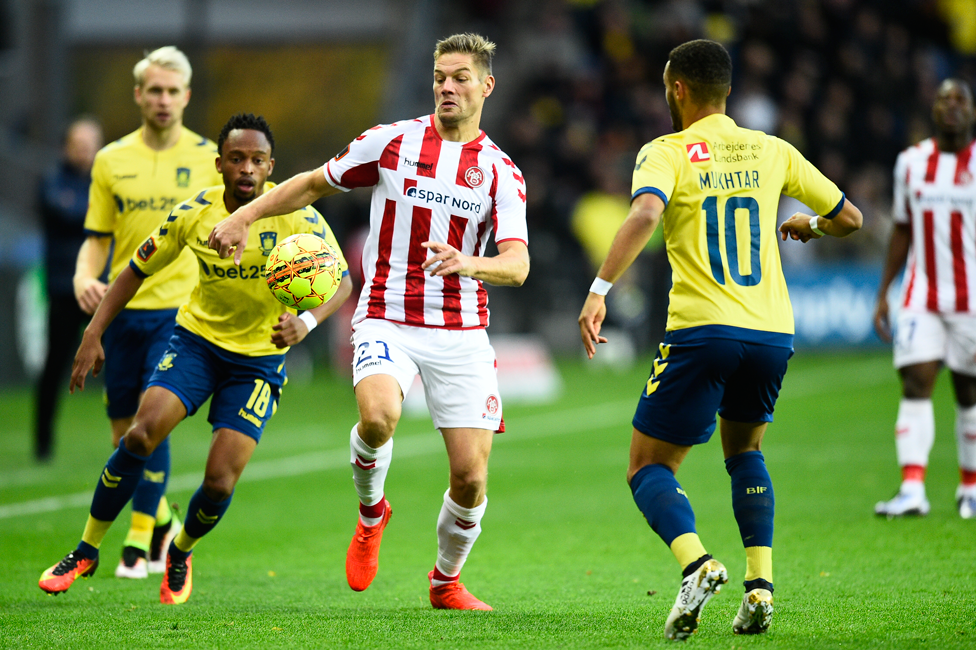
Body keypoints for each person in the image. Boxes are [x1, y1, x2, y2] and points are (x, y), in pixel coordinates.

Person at [208, 33, 529, 611]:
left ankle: (446, 582)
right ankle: (372, 511)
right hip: (387, 317)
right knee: (378, 418)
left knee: (470, 478)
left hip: (461, 332)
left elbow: (518, 265)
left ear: (486, 86)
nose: (447, 87)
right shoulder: (391, 142)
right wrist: (246, 216)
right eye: (439, 76)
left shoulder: (501, 172)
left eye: (460, 77)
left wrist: (469, 262)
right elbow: (312, 183)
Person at [578, 39, 862, 641]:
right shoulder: (772, 149)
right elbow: (850, 218)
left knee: (647, 464)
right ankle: (760, 586)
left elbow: (646, 213)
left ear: (677, 89)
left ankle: (697, 565)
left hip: (704, 329)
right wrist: (809, 225)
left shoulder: (666, 151)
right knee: (746, 452)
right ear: (728, 91)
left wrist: (600, 288)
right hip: (772, 333)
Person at [38, 113, 352, 604]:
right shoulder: (195, 213)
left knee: (220, 481)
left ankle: (180, 549)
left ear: (271, 167)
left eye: (257, 160)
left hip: (259, 361)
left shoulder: (296, 214)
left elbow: (343, 282)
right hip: (197, 343)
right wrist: (93, 331)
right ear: (219, 164)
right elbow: (134, 269)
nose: (247, 168)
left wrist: (306, 323)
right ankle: (86, 549)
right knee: (140, 434)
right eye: (237, 158)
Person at [74, 46, 223, 580]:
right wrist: (83, 276)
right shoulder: (110, 160)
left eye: (172, 91)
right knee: (124, 438)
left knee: (149, 421)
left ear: (186, 96)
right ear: (139, 95)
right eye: (154, 90)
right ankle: (161, 521)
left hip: (180, 312)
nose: (163, 99)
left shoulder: (212, 158)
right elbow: (98, 236)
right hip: (123, 311)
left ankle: (137, 544)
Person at [873, 79, 976, 520]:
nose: (951, 106)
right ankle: (912, 489)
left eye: (960, 100)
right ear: (932, 110)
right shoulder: (911, 162)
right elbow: (902, 227)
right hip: (921, 294)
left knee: (969, 391)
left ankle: (970, 488)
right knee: (916, 381)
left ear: (971, 111)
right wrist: (884, 291)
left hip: (971, 298)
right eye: (943, 99)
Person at [34, 117, 103, 462]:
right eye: (78, 144)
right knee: (55, 365)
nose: (84, 151)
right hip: (65, 288)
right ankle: (43, 441)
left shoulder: (103, 182)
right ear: (66, 147)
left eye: (90, 145)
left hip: (101, 289)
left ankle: (131, 434)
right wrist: (99, 213)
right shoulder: (52, 180)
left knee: (124, 358)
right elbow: (69, 213)